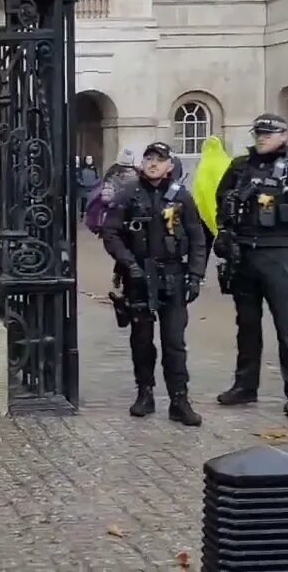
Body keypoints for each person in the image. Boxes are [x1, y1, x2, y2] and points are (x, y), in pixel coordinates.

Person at [212, 113, 288, 416]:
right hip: (244, 254)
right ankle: (244, 386)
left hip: (277, 253)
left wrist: (286, 191)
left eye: (268, 133)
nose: (262, 138)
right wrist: (224, 231)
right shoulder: (240, 166)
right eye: (259, 134)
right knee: (247, 325)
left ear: (283, 135)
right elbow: (221, 199)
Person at [100, 142, 206, 426]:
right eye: (149, 158)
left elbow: (197, 237)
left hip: (172, 275)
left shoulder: (181, 196)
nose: (153, 163)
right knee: (142, 340)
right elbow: (110, 233)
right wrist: (128, 263)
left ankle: (179, 399)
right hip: (139, 276)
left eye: (160, 160)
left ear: (170, 165)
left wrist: (196, 275)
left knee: (174, 341)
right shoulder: (128, 194)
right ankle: (144, 393)